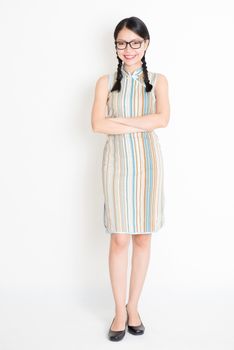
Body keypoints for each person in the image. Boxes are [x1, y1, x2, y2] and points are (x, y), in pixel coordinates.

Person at [91, 16, 170, 341]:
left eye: (135, 42)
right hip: (117, 165)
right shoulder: (105, 81)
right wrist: (141, 122)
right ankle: (119, 310)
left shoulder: (159, 81)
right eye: (122, 43)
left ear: (146, 44)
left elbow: (163, 119)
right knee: (119, 238)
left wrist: (119, 121)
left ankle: (133, 306)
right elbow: (97, 125)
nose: (128, 49)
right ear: (116, 46)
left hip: (148, 164)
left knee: (142, 237)